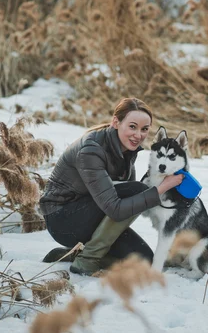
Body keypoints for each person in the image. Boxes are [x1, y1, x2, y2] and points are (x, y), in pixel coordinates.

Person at [38, 98, 184, 276]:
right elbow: (116, 208)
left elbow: (127, 203)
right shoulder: (91, 150)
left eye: (144, 129)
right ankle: (87, 259)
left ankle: (74, 254)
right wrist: (160, 189)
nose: (138, 135)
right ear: (116, 122)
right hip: (63, 219)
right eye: (132, 126)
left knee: (144, 262)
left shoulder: (127, 149)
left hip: (93, 214)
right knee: (138, 190)